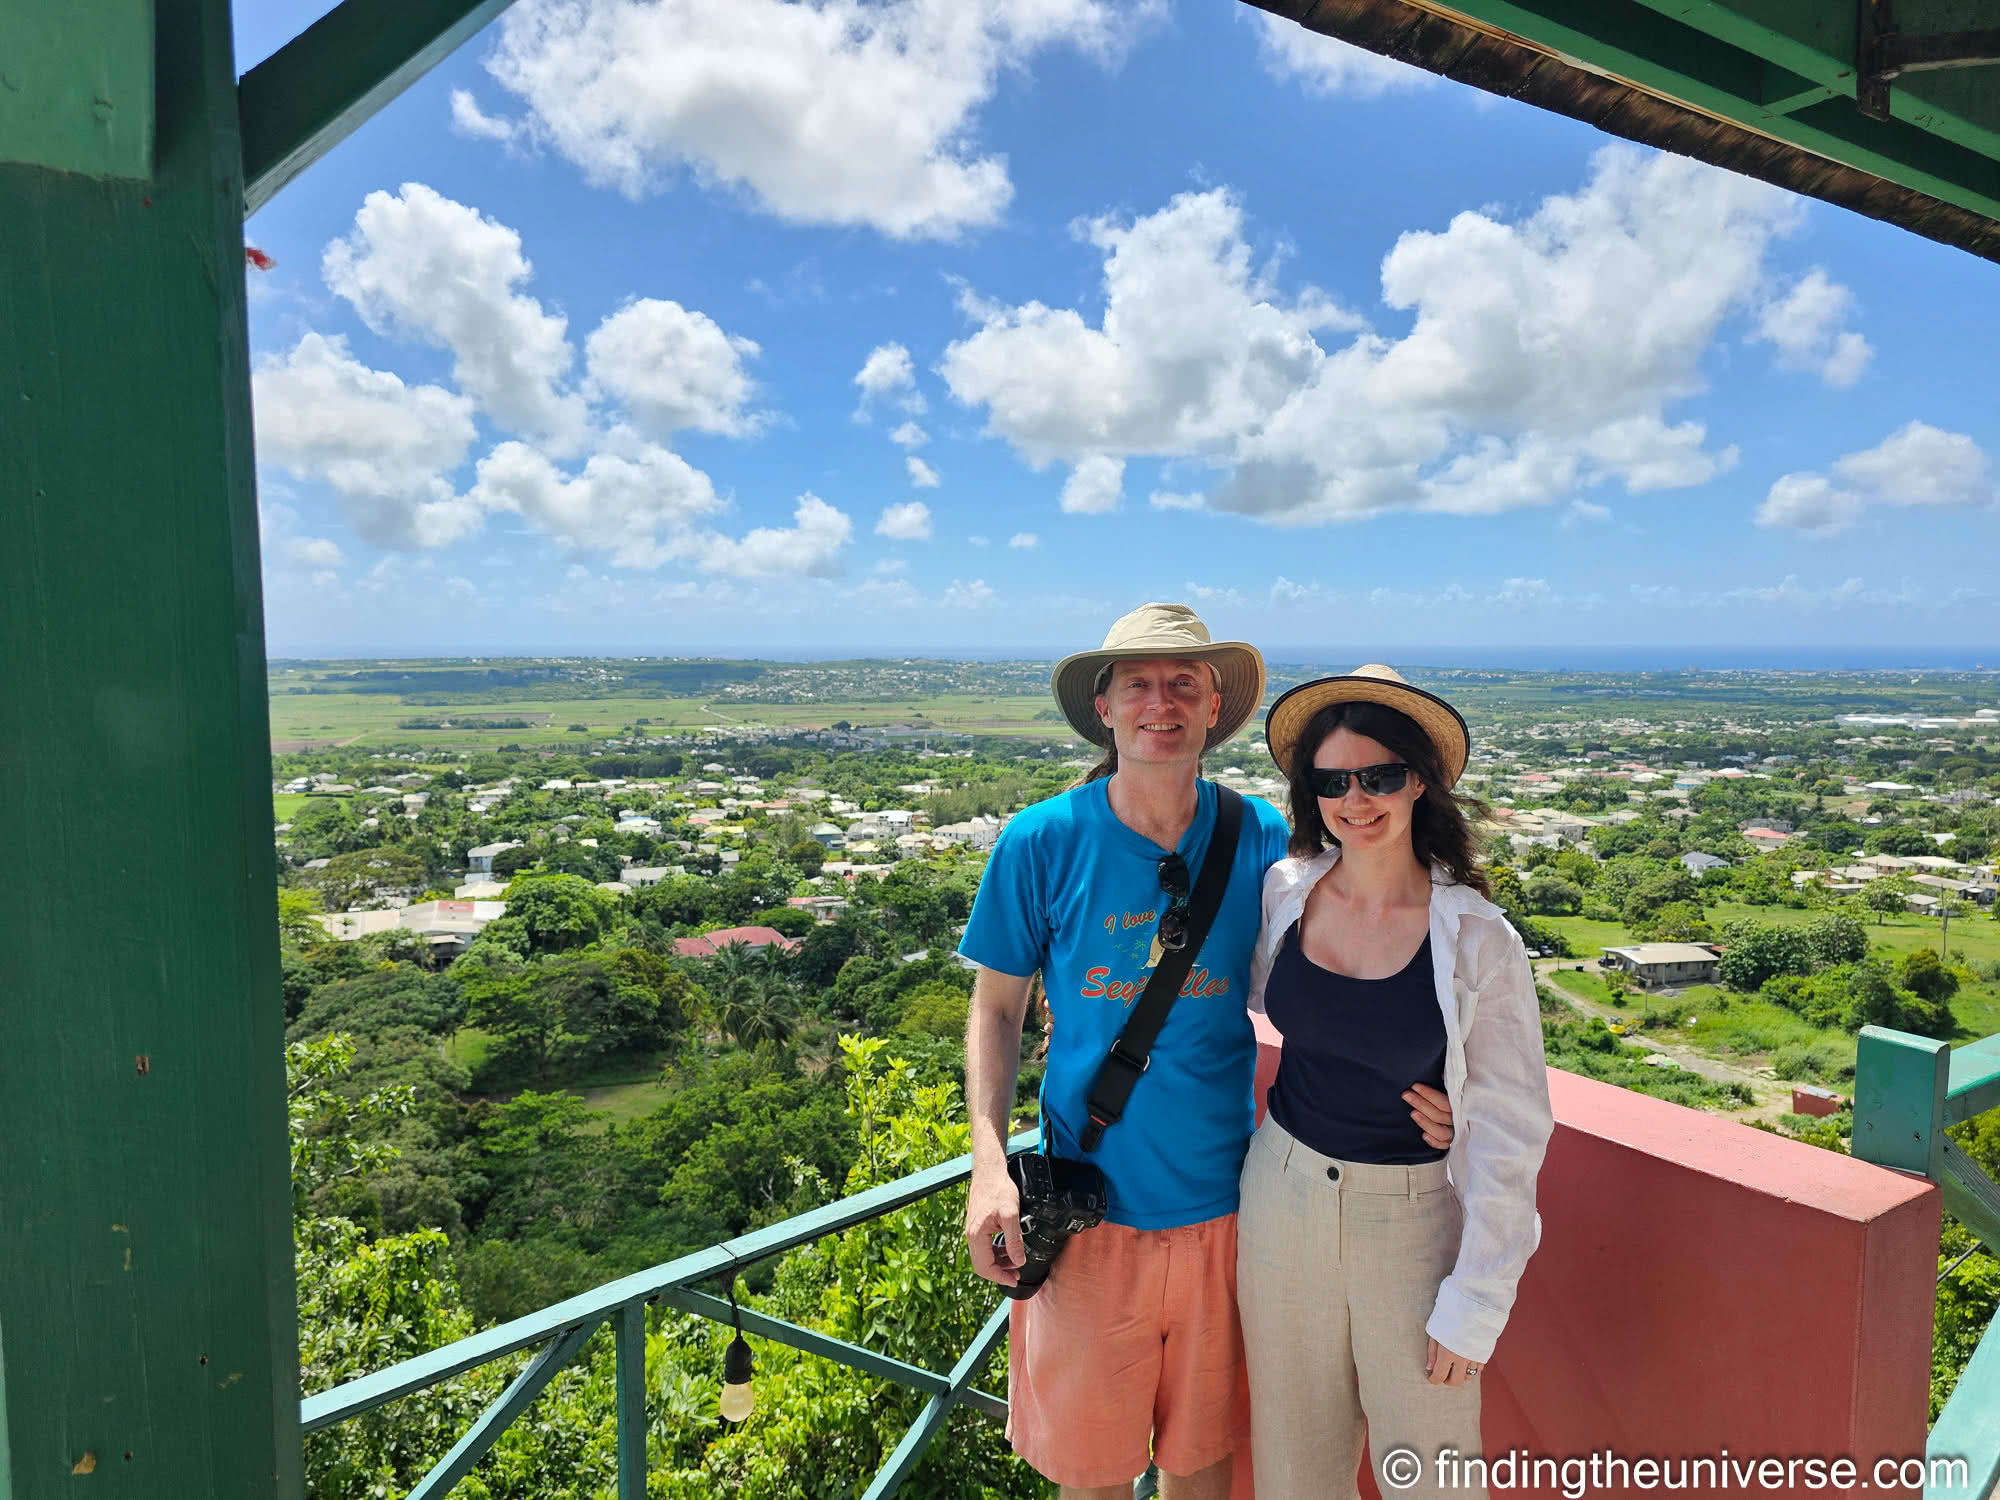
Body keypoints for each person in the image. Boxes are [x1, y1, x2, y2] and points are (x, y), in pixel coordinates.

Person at [959, 607, 1456, 1500]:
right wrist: (989, 1168)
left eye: (1184, 682)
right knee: (1094, 1480)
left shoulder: (1264, 839)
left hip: (1235, 1215)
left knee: (1204, 1467)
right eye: (1140, 683)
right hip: (1088, 1215)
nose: (1163, 701)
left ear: (1213, 705)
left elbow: (1378, 935)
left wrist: (1450, 1085)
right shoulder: (1041, 841)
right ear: (1104, 706)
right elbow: (997, 1010)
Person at [1235, 666, 1554, 1500]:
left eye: (1379, 776)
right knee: (1296, 1463)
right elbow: (1249, 994)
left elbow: (1514, 1128)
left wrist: (1476, 1306)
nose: (1356, 800)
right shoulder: (1287, 893)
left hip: (1410, 1221)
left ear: (1420, 780)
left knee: (1435, 1472)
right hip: (1281, 1195)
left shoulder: (1477, 938)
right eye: (1333, 781)